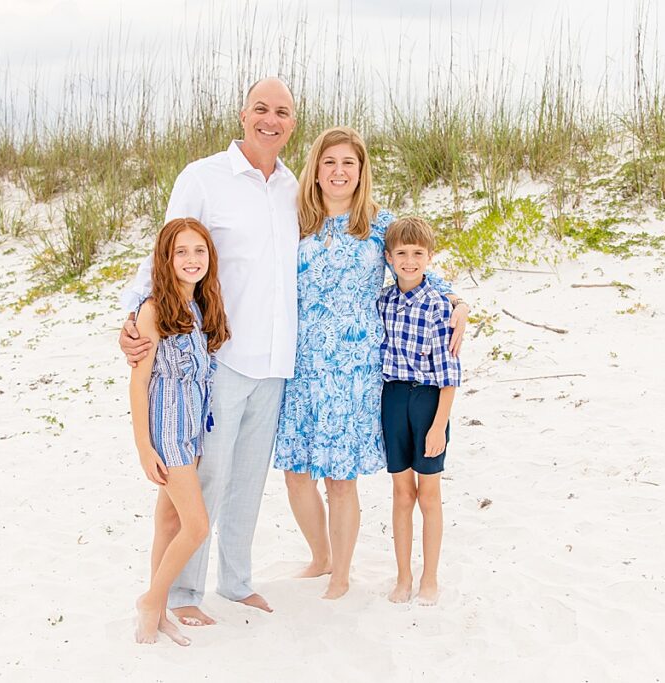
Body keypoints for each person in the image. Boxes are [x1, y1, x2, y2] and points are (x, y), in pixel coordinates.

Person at [119, 77, 299, 626]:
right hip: (221, 357)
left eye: (283, 112)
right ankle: (181, 593)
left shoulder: (295, 186)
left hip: (277, 361)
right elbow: (166, 249)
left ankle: (237, 581)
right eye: (261, 109)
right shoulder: (203, 177)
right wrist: (133, 316)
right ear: (243, 114)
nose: (271, 119)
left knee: (249, 479)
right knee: (207, 480)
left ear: (293, 123)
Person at [274, 126, 469, 599]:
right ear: (316, 170)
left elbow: (418, 267)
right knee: (296, 470)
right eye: (330, 162)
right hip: (300, 363)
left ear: (362, 172)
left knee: (340, 476)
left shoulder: (379, 226)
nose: (339, 171)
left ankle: (341, 572)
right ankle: (319, 556)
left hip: (355, 366)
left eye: (349, 163)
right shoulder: (293, 221)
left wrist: (456, 299)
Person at [130, 218, 230, 645]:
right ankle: (151, 600)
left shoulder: (198, 307)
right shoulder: (153, 310)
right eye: (181, 252)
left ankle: (156, 615)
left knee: (169, 520)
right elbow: (139, 381)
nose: (192, 260)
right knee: (196, 526)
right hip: (167, 433)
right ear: (166, 259)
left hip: (192, 430)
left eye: (199, 251)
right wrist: (143, 447)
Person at [378, 216, 461, 606]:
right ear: (389, 257)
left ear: (430, 257)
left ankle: (430, 576)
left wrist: (438, 426)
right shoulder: (383, 302)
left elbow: (450, 376)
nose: (409, 261)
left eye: (417, 254)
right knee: (400, 493)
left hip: (429, 401)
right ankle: (403, 576)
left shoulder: (440, 306)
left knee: (429, 493)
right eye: (401, 254)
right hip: (393, 398)